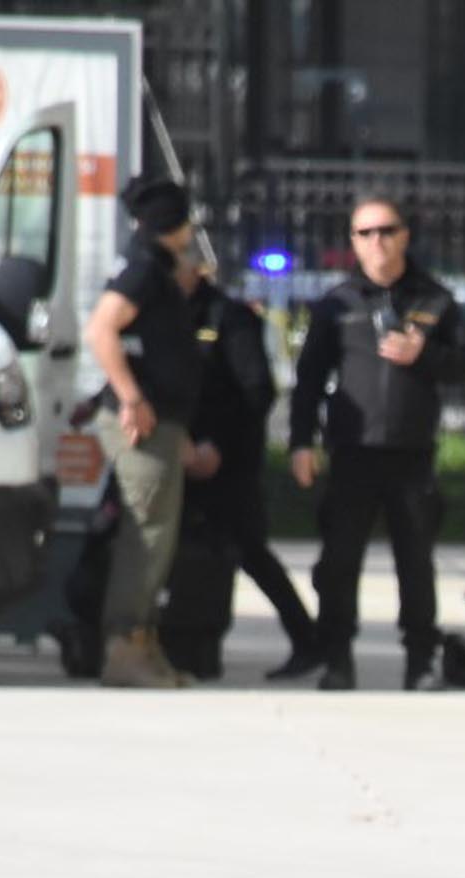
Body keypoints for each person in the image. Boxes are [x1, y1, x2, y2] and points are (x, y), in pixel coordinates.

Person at [287, 197, 465, 691]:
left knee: (415, 562)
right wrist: (300, 442)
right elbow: (309, 379)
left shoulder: (435, 299)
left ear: (405, 235)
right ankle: (337, 658)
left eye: (386, 231)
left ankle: (419, 661)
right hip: (353, 452)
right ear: (352, 241)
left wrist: (424, 353)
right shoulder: (338, 304)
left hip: (411, 453)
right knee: (339, 560)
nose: (377, 242)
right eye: (364, 233)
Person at [82, 175, 207, 690]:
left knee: (157, 535)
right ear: (174, 225)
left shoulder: (152, 269)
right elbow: (101, 329)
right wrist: (132, 396)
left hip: (162, 422)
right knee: (146, 534)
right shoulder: (142, 271)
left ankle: (141, 644)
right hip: (143, 422)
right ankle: (125, 644)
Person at [177, 250, 320, 680]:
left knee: (249, 550)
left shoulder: (228, 318)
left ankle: (306, 640)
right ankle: (183, 642)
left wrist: (217, 445)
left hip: (229, 462)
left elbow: (256, 391)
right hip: (181, 455)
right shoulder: (161, 313)